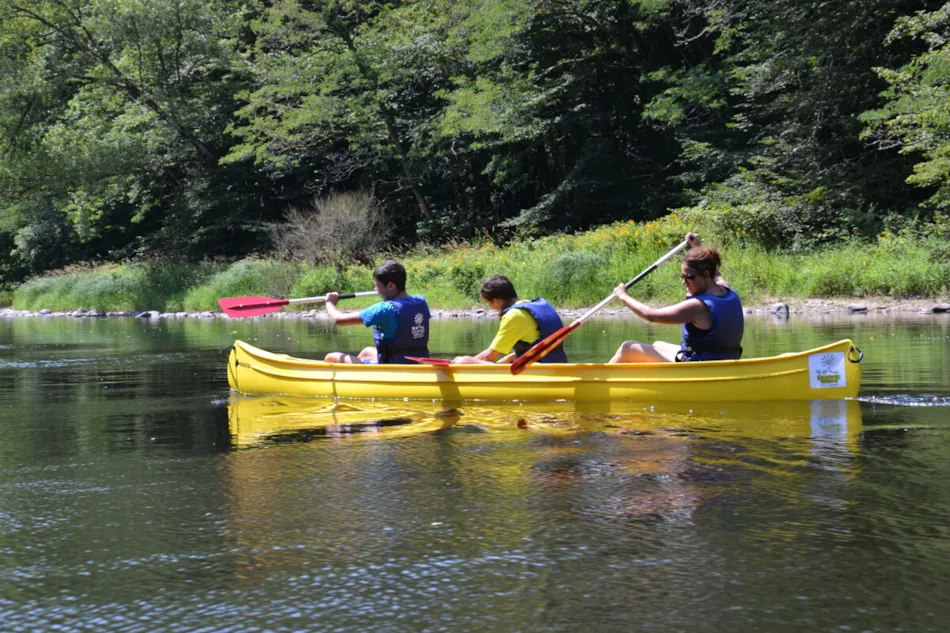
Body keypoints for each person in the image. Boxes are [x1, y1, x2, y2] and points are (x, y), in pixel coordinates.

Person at [608, 233, 743, 363]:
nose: (684, 282)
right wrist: (697, 247)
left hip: (701, 366)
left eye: (689, 277)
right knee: (657, 345)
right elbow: (716, 274)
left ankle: (602, 383)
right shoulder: (726, 290)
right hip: (724, 361)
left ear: (706, 274)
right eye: (682, 277)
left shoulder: (697, 306)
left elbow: (650, 315)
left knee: (627, 348)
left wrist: (623, 296)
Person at [323, 260, 430, 364]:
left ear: (391, 286)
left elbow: (338, 320)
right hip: (418, 362)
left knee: (331, 357)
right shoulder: (421, 301)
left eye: (377, 285)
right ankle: (358, 376)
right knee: (367, 352)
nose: (375, 289)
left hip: (392, 368)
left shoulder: (385, 309)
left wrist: (330, 302)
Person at [452, 274, 568, 365]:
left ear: (496, 301)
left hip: (537, 369)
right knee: (505, 359)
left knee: (463, 360)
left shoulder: (514, 315)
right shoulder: (532, 306)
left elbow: (489, 356)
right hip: (555, 363)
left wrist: (462, 363)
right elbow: (534, 346)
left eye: (489, 304)